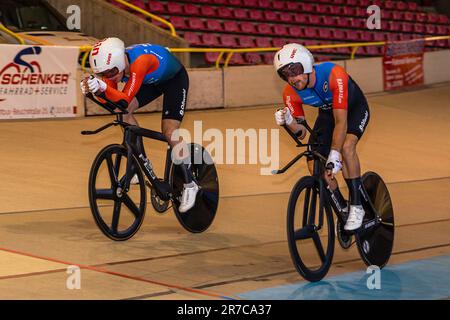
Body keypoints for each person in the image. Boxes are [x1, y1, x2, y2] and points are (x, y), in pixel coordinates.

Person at [80, 37, 197, 213]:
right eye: (104, 74)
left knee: (169, 131)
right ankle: (139, 164)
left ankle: (190, 183)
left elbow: (124, 99)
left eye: (111, 72)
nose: (110, 77)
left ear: (120, 61)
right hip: (150, 81)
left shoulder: (139, 62)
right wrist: (94, 92)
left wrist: (102, 88)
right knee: (123, 112)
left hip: (174, 80)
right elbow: (115, 104)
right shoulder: (114, 68)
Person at [273, 43, 370, 231]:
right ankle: (342, 207)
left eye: (295, 70)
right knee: (313, 162)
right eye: (286, 74)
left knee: (346, 147)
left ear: (308, 65)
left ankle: (357, 206)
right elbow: (301, 133)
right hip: (327, 114)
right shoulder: (290, 93)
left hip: (353, 109)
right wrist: (288, 121)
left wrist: (334, 153)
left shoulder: (334, 74)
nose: (292, 78)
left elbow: (341, 122)